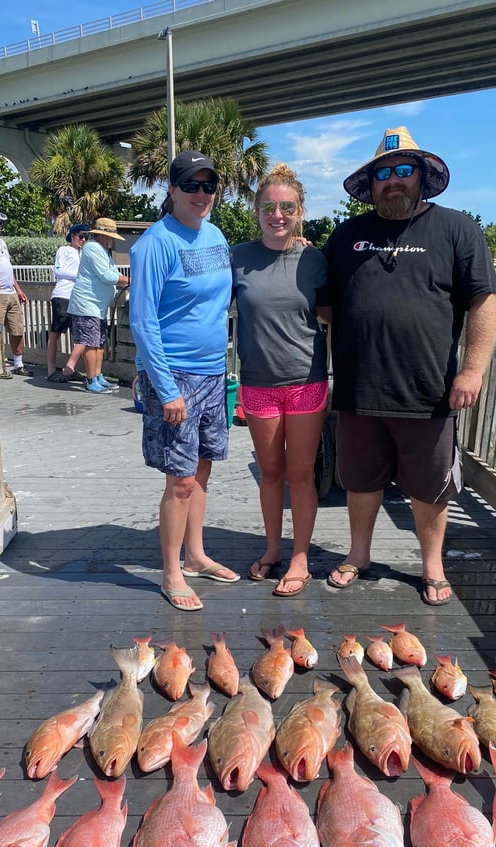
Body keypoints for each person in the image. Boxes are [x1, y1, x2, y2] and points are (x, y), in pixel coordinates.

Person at [323, 125, 496, 606]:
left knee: (429, 487)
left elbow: (485, 299)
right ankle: (358, 554)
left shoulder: (457, 228)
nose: (394, 180)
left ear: (422, 176)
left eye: (404, 170)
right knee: (359, 481)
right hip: (359, 390)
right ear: (372, 182)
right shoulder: (347, 235)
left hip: (429, 392)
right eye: (384, 173)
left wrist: (473, 370)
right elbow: (324, 302)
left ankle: (432, 565)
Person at [129, 150, 239, 612]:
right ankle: (171, 572)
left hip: (215, 373)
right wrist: (167, 389)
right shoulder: (153, 243)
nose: (200, 194)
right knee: (179, 480)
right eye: (190, 185)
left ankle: (195, 555)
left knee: (203, 470)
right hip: (174, 376)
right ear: (171, 190)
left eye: (208, 185)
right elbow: (143, 320)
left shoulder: (215, 235)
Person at [231, 163, 330, 597]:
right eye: (269, 206)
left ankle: (300, 557)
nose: (278, 214)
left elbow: (337, 311)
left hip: (306, 380)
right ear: (256, 210)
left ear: (300, 211)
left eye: (287, 207)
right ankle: (273, 550)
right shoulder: (237, 257)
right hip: (256, 382)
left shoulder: (314, 258)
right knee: (271, 473)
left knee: (301, 474)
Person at [67, 217, 129, 394]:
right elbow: (107, 276)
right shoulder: (92, 247)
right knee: (90, 343)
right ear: (103, 236)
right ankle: (90, 379)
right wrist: (132, 280)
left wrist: (125, 280)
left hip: (96, 307)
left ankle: (98, 375)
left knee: (99, 342)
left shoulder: (102, 250)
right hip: (87, 305)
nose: (112, 240)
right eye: (111, 237)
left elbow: (113, 273)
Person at [0, 208, 29, 378]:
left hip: (11, 292)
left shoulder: (1, 241)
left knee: (17, 328)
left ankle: (18, 363)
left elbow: (7, 267)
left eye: (1, 223)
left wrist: (18, 288)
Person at [45, 222, 89, 382]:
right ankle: (51, 369)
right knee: (56, 332)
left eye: (86, 237)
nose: (83, 240)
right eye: (81, 236)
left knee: (80, 335)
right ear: (72, 236)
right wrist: (79, 275)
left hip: (78, 297)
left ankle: (70, 368)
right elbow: (58, 270)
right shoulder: (64, 250)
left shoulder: (85, 254)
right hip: (63, 295)